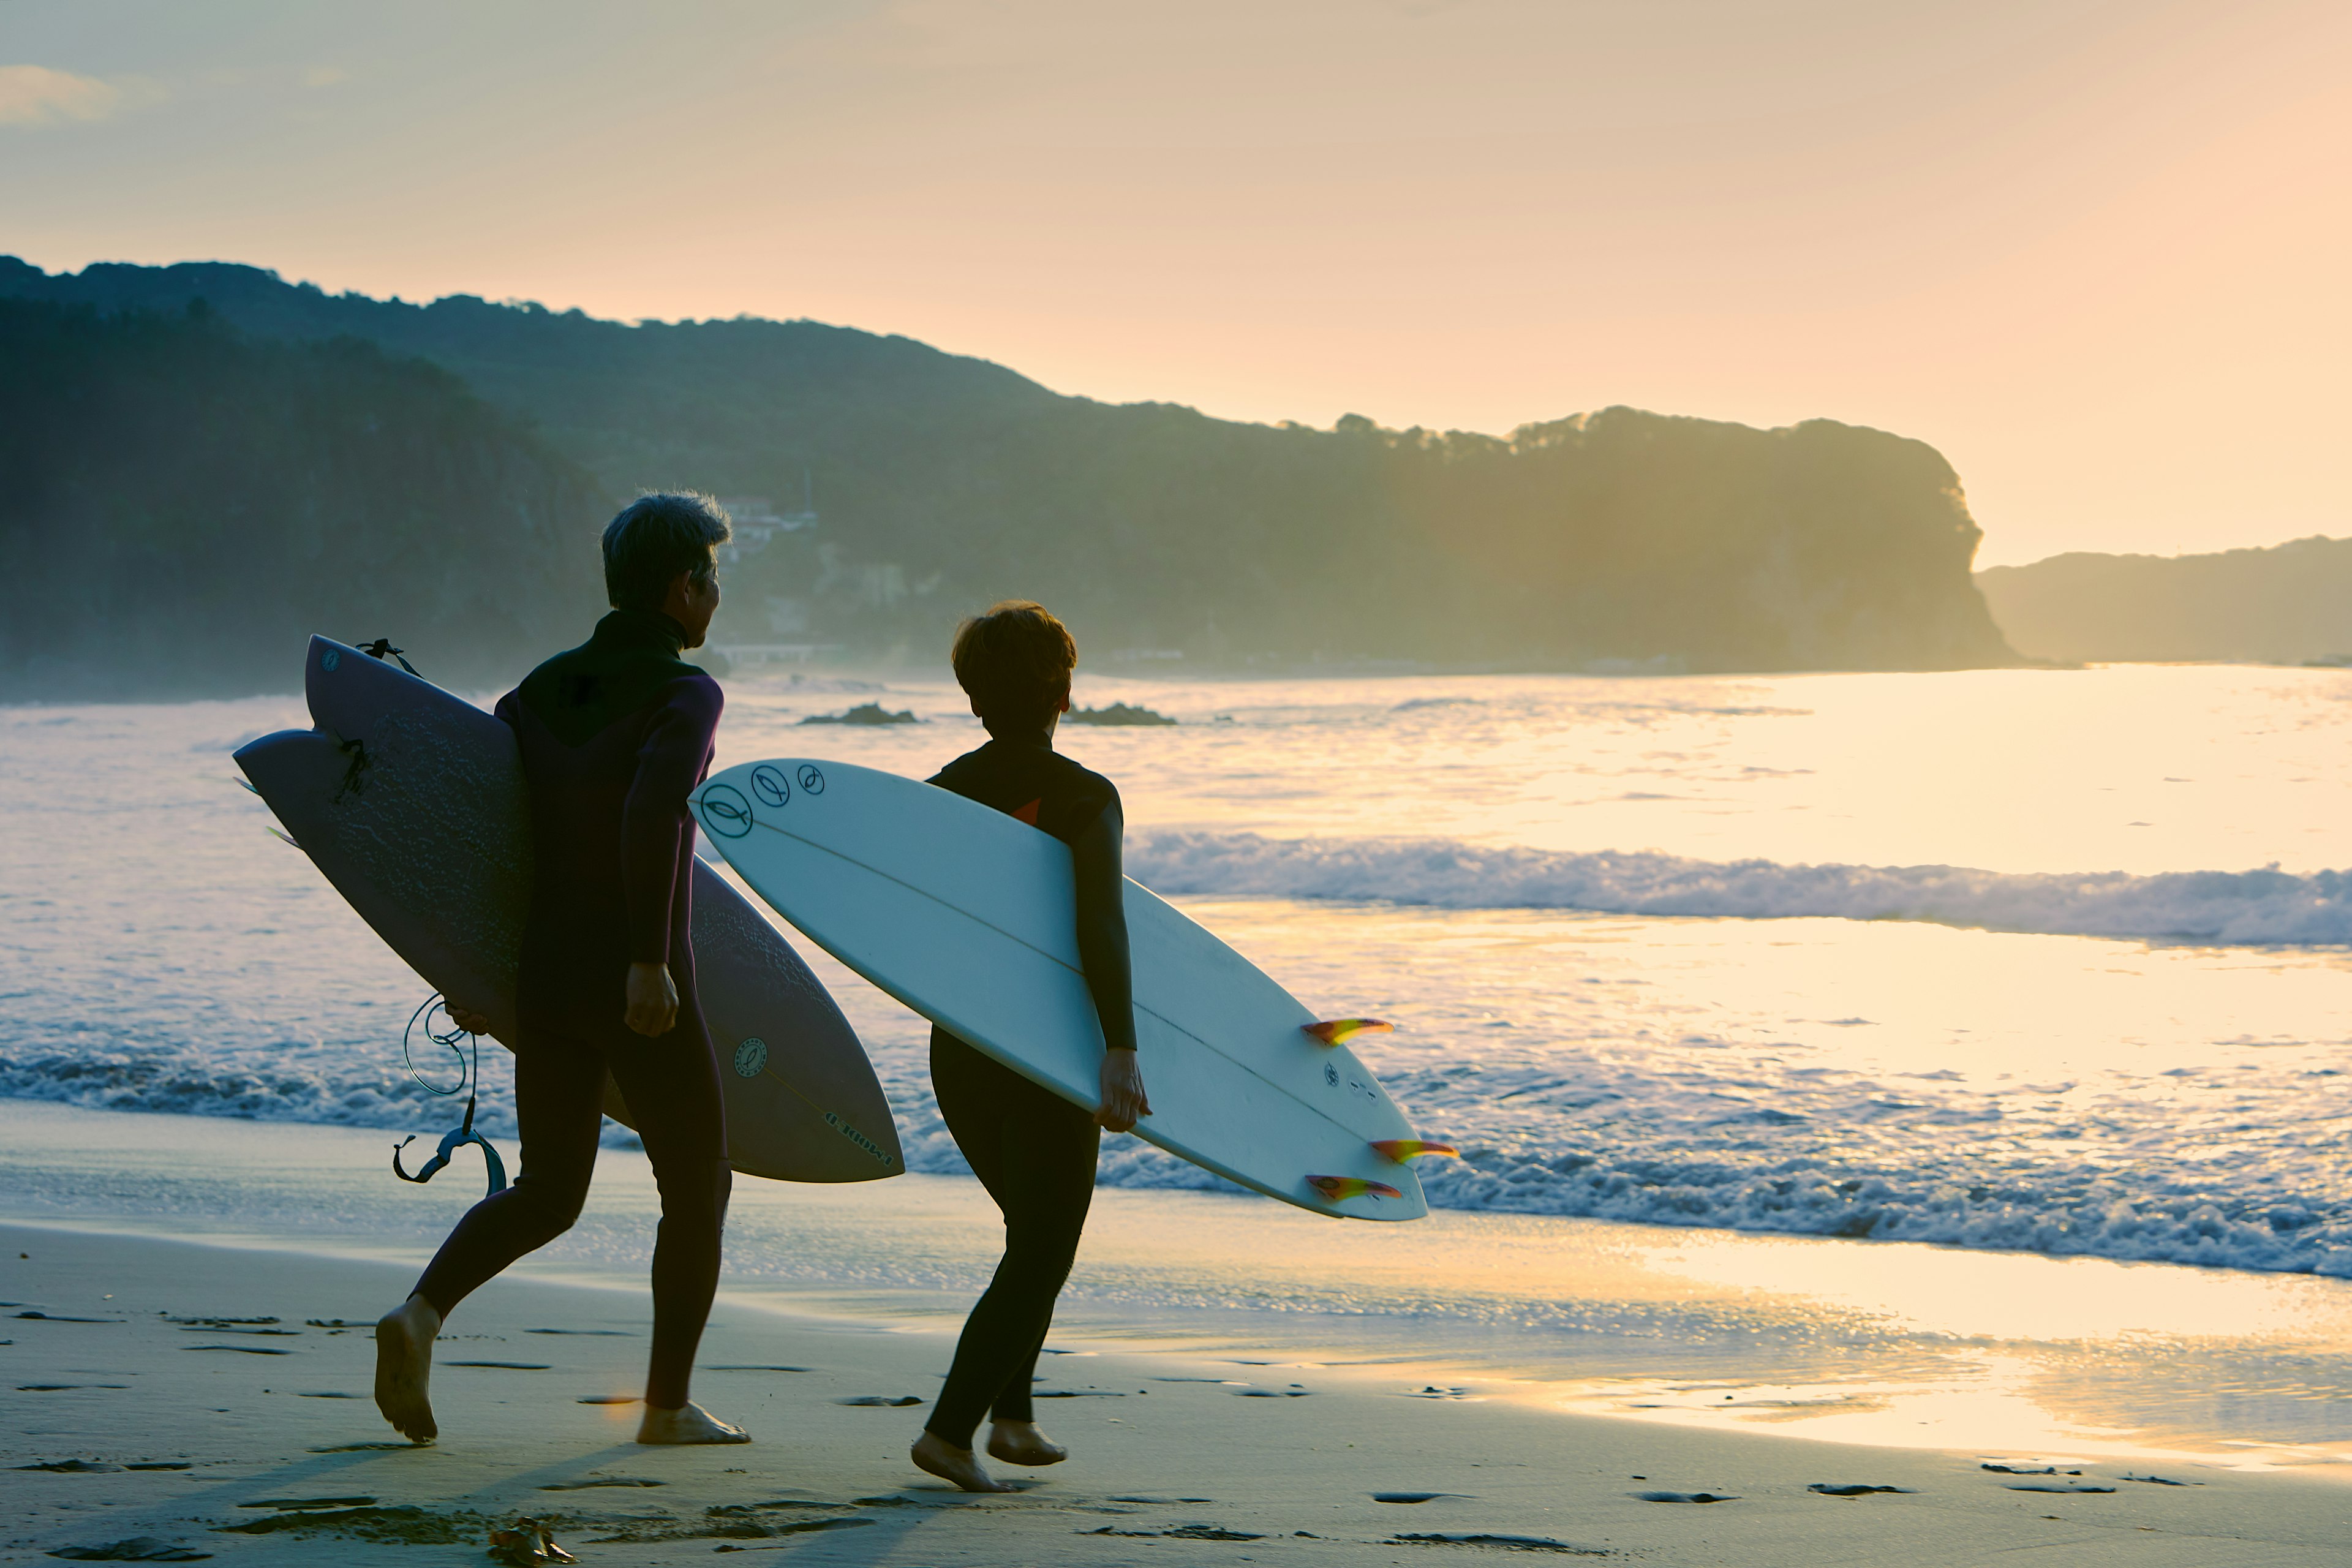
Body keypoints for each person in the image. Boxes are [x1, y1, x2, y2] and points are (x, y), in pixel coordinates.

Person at [373, 492, 747, 1447]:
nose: (717, 596)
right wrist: (650, 962)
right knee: (697, 1183)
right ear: (682, 587)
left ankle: (420, 1313)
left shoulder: (535, 691)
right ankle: (666, 1406)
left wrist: (470, 969)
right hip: (636, 977)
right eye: (713, 577)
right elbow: (655, 817)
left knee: (549, 1191)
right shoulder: (685, 694)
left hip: (543, 971)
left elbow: (492, 840)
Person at [910, 600, 1152, 1493]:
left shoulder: (933, 796)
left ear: (974, 696)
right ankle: (948, 1431)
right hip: (1046, 1050)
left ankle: (1012, 1419)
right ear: (1064, 690)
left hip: (961, 1051)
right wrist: (1120, 1045)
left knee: (1031, 1235)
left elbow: (915, 934)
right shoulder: (1087, 796)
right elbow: (1101, 925)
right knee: (1044, 1247)